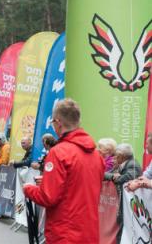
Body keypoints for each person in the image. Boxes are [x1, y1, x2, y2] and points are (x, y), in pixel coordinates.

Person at [23, 98, 105, 244]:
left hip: (65, 234)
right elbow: (80, 186)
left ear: (58, 122)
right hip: (89, 233)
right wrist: (50, 181)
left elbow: (48, 197)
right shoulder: (96, 155)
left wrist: (28, 189)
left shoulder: (58, 152)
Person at [104, 143, 142, 243]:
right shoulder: (121, 165)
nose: (113, 159)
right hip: (122, 206)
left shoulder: (133, 165)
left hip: (130, 209)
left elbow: (124, 179)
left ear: (121, 156)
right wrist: (112, 176)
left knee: (125, 234)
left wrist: (114, 177)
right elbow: (103, 174)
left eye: (115, 156)